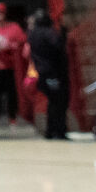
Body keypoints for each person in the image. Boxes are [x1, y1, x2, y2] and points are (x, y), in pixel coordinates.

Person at [25, 10, 70, 140]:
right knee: (59, 102)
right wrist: (63, 35)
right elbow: (57, 47)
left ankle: (51, 131)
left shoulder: (32, 35)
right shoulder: (47, 33)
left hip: (42, 72)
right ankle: (59, 131)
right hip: (54, 72)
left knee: (52, 102)